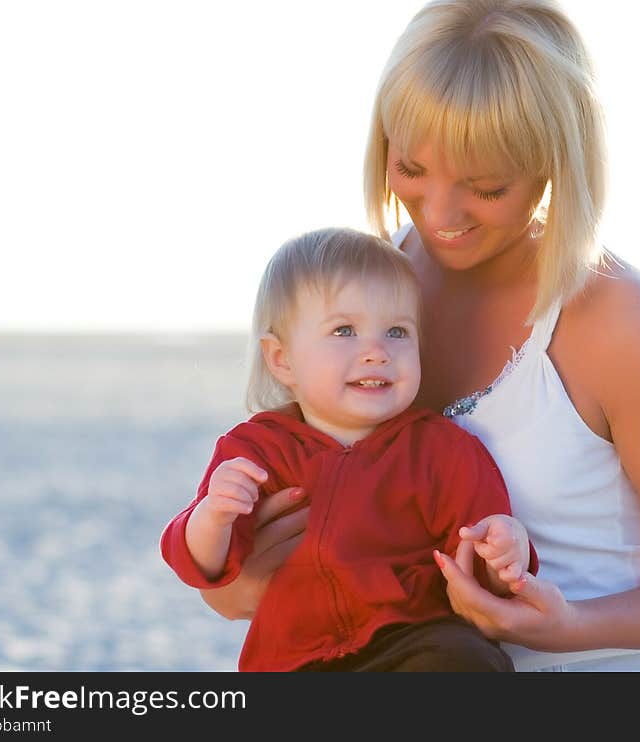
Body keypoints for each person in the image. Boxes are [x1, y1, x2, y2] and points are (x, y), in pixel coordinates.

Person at [201, 0, 640, 672]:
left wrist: (568, 625)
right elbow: (276, 545)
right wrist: (238, 578)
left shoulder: (624, 326)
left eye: (486, 186)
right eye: (412, 167)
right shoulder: (364, 298)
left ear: (555, 165)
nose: (440, 212)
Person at [161, 226, 538, 671]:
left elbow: (478, 562)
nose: (377, 351)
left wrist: (504, 550)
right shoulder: (255, 450)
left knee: (469, 658)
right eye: (344, 331)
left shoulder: (441, 450)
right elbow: (201, 564)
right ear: (281, 359)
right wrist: (213, 516)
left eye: (398, 332)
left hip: (412, 639)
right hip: (296, 658)